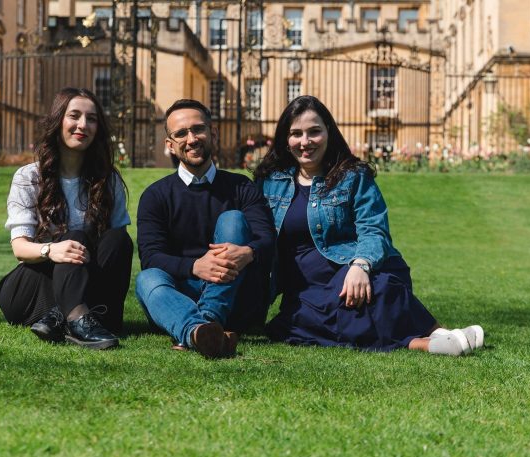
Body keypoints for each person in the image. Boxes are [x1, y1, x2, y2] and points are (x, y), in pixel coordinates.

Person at [254, 95, 485, 356]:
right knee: (318, 315)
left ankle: (436, 334)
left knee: (375, 289)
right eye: (296, 134)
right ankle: (431, 341)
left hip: (349, 268)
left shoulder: (352, 176)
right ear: (285, 139)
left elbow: (374, 228)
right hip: (306, 287)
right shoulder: (270, 182)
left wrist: (360, 265)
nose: (305, 142)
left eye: (314, 132)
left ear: (328, 132)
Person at [134, 99, 275, 359]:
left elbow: (268, 239)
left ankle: (206, 320)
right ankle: (199, 331)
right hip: (179, 298)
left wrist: (249, 252)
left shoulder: (241, 187)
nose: (192, 138)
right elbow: (151, 257)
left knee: (232, 220)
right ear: (170, 145)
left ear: (213, 133)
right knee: (146, 280)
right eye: (181, 133)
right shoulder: (155, 196)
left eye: (198, 129)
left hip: (235, 297)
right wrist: (195, 267)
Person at [0, 88, 133, 350]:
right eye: (74, 115)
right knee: (75, 237)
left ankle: (64, 316)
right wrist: (52, 249)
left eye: (91, 119)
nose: (83, 125)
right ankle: (79, 317)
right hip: (33, 286)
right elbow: (20, 248)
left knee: (120, 239)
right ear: (58, 120)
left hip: (82, 282)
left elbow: (113, 254)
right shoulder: (29, 177)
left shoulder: (108, 180)